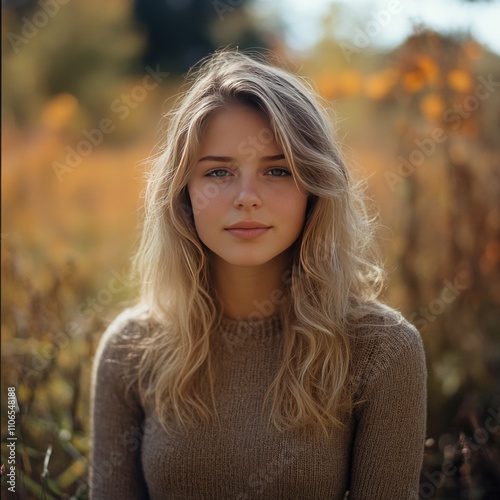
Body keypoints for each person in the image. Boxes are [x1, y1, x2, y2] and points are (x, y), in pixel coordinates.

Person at [90, 50, 427, 499]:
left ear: (314, 186)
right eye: (218, 171)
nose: (247, 197)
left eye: (277, 170)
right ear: (183, 192)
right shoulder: (129, 350)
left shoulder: (383, 350)